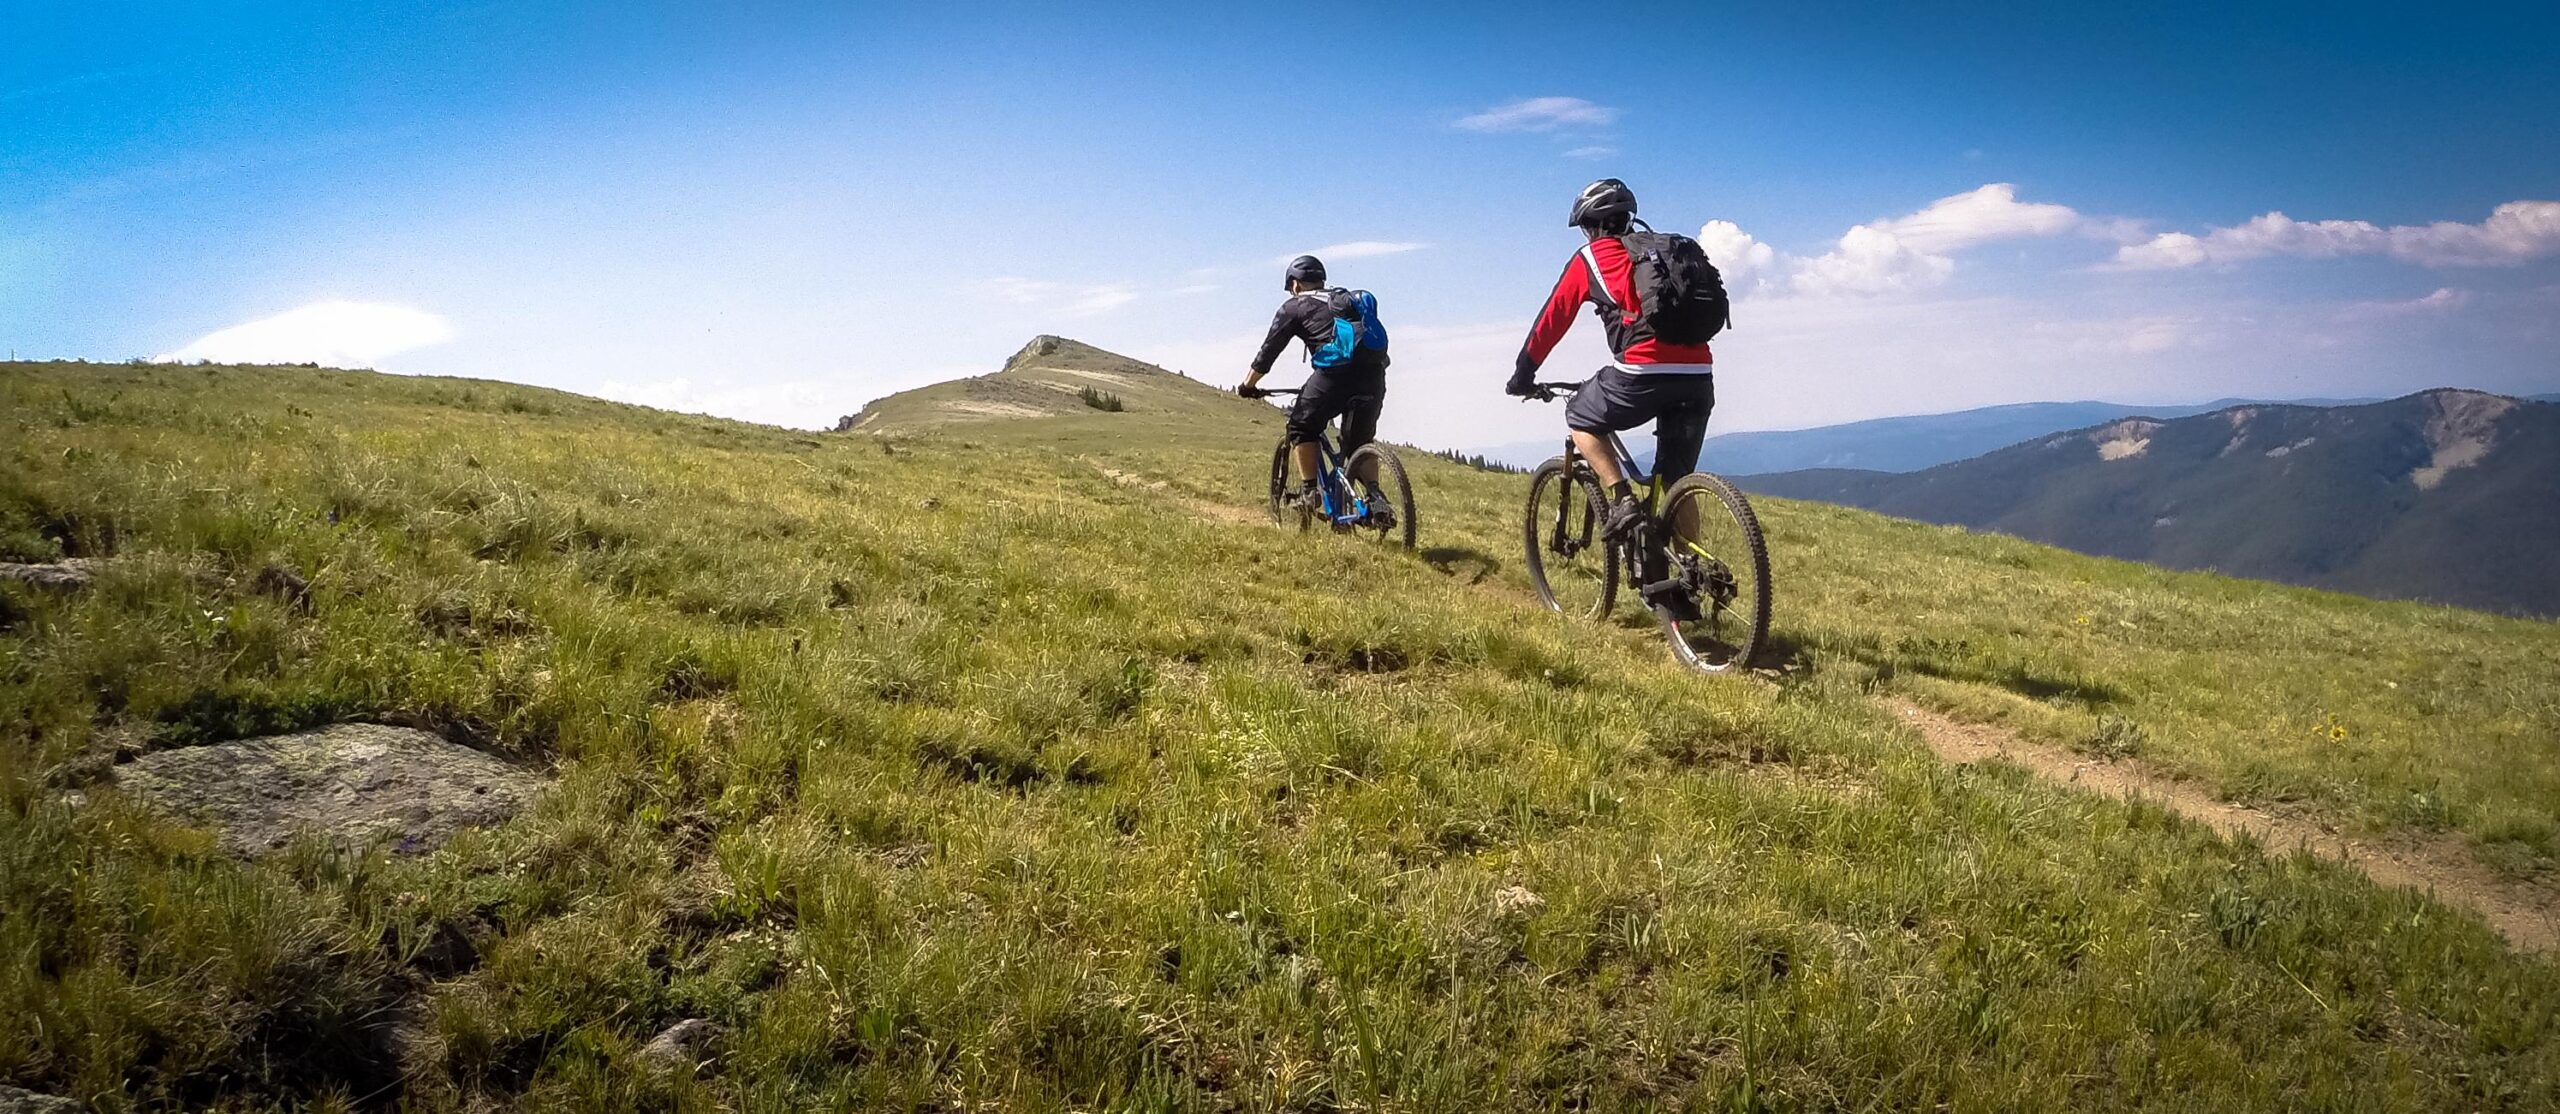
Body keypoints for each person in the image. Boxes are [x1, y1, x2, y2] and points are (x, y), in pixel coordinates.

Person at [1504, 178, 1717, 541]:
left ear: (1594, 225)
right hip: (1698, 374)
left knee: (1580, 417)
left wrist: (1523, 375)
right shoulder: (1664, 252)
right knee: (1675, 479)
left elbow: (1551, 321)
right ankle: (1690, 578)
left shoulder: (1591, 258)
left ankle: (1621, 500)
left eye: (1586, 227)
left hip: (1641, 372)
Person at [1238, 255, 1391, 509]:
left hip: (1333, 378)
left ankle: (1310, 493)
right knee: (1360, 442)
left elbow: (1268, 352)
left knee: (1301, 427)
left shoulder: (1294, 307)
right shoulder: (1347, 301)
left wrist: (1248, 385)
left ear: (1295, 284)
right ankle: (1376, 500)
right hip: (1373, 376)